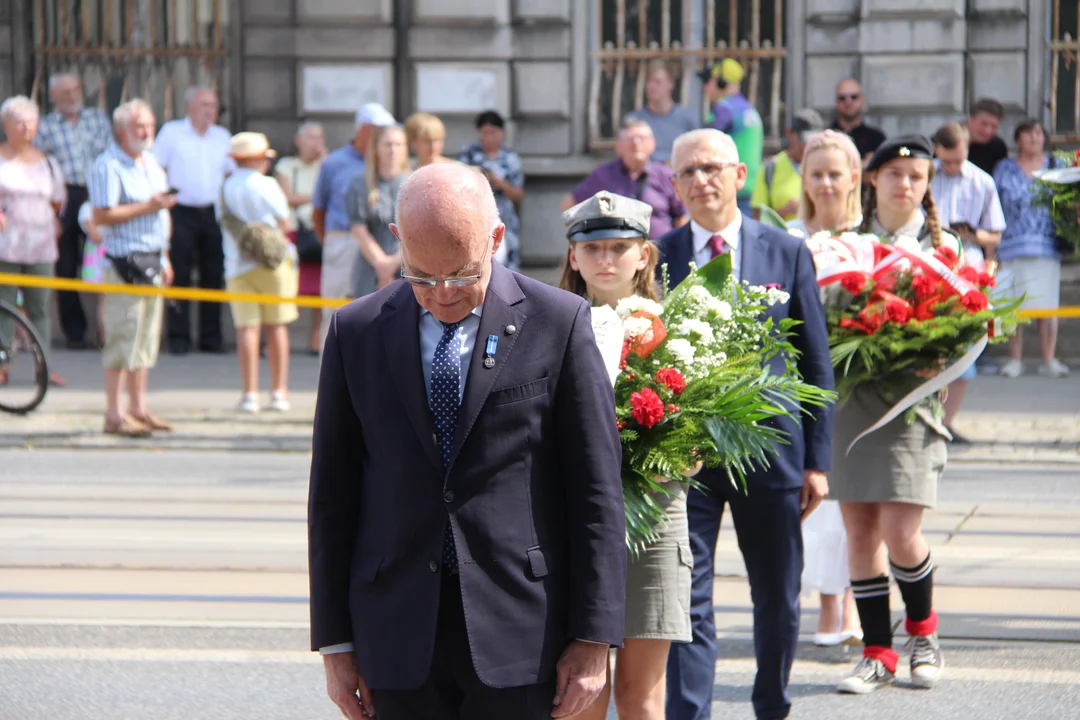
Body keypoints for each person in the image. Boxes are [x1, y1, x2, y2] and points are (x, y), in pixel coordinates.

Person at [308, 163, 626, 720]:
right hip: (395, 634)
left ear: (496, 239)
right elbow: (331, 499)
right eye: (422, 277)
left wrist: (594, 637)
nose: (443, 295)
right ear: (397, 242)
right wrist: (336, 645)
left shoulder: (559, 322)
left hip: (522, 632)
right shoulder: (355, 332)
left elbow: (596, 492)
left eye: (461, 274)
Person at [659, 128, 834, 720]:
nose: (700, 180)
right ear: (674, 183)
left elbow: (815, 362)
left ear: (739, 175)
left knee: (778, 599)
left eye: (711, 167)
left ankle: (771, 705)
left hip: (774, 455)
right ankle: (690, 712)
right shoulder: (660, 256)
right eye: (687, 172)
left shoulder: (785, 251)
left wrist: (818, 460)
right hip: (691, 455)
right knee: (687, 598)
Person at [832, 135, 960, 694]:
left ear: (928, 185)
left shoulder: (945, 247)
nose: (904, 184)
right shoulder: (845, 243)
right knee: (860, 533)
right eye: (894, 174)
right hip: (853, 400)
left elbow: (963, 326)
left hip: (911, 404)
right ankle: (877, 652)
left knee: (901, 531)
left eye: (916, 176)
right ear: (874, 179)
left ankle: (924, 634)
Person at [559, 190, 694, 720]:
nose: (606, 260)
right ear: (573, 256)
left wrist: (679, 447)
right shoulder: (549, 326)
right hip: (574, 523)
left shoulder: (680, 331)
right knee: (580, 691)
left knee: (642, 698)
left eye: (620, 247)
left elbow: (698, 443)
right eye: (592, 249)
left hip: (654, 519)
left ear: (644, 256)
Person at [789, 129, 865, 647]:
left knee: (858, 502)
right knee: (816, 504)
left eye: (835, 173)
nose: (825, 183)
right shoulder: (788, 238)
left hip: (860, 384)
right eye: (816, 173)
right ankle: (826, 604)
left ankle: (858, 602)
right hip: (805, 388)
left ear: (854, 178)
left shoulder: (868, 240)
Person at [88, 99, 177, 437]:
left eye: (149, 125)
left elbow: (161, 214)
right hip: (124, 263)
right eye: (139, 126)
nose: (145, 132)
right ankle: (114, 413)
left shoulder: (151, 164)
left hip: (152, 259)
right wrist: (147, 206)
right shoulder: (108, 166)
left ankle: (138, 407)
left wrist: (165, 256)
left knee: (146, 339)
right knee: (122, 338)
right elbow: (102, 215)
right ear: (122, 129)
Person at [929, 121, 1007, 437]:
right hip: (929, 267)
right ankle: (926, 416)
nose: (951, 166)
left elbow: (996, 235)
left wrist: (973, 235)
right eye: (945, 161)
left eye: (957, 160)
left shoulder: (982, 181)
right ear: (936, 151)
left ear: (966, 151)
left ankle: (946, 423)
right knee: (929, 349)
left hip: (967, 271)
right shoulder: (925, 174)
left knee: (964, 350)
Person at [219, 132, 299, 414]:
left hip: (238, 263)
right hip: (273, 263)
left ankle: (249, 393)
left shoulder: (226, 186)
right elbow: (285, 221)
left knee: (247, 329)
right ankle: (278, 391)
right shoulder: (267, 185)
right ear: (257, 159)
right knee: (277, 327)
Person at [33, 72, 112, 349]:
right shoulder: (45, 127)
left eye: (75, 89)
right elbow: (38, 167)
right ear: (53, 96)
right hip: (64, 197)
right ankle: (75, 333)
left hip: (96, 195)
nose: (71, 96)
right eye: (64, 92)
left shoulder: (97, 120)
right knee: (65, 265)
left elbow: (110, 157)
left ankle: (107, 332)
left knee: (104, 261)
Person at [152, 86, 234, 355]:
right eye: (204, 105)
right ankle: (179, 337)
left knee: (213, 273)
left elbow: (232, 173)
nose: (209, 111)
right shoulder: (172, 133)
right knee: (180, 274)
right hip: (181, 210)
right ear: (190, 107)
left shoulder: (222, 137)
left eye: (213, 106)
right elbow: (156, 167)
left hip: (212, 212)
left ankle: (211, 337)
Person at [312, 102, 397, 347]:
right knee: (335, 309)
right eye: (379, 130)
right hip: (343, 238)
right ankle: (329, 378)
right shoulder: (334, 162)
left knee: (374, 311)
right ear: (363, 130)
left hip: (381, 243)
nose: (385, 138)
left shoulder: (390, 161)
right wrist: (330, 241)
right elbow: (319, 209)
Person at [993, 119, 1070, 379]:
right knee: (1014, 304)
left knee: (1047, 304)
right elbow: (995, 204)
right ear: (1018, 139)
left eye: (1039, 133)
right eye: (1028, 134)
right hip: (1011, 244)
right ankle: (1015, 359)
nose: (1035, 138)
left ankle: (1049, 359)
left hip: (1047, 244)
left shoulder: (1056, 165)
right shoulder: (1004, 168)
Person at [0, 96, 68, 387]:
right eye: (19, 122)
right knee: (3, 306)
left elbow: (57, 200)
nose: (26, 127)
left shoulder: (48, 163)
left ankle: (44, 366)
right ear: (6, 126)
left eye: (30, 121)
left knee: (40, 307)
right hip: (6, 243)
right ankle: (3, 363)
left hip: (40, 246)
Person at [562, 118, 687, 238]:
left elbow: (681, 217)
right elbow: (569, 204)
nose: (636, 144)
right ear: (618, 146)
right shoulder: (604, 175)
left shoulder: (666, 176)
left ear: (652, 144)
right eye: (629, 139)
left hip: (660, 252)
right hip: (616, 254)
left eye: (642, 139)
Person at [274, 121, 327, 355]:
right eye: (311, 137)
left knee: (320, 289)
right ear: (298, 141)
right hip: (293, 231)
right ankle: (277, 339)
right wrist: (316, 196)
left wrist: (326, 162)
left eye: (320, 137)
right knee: (287, 285)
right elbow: (288, 197)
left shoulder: (325, 166)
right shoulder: (287, 166)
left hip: (317, 231)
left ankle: (315, 340)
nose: (316, 143)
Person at [346, 124, 410, 296]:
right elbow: (359, 228)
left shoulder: (415, 183)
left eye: (398, 145)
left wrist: (395, 262)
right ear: (376, 148)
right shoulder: (360, 183)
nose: (393, 150)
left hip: (408, 265)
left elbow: (423, 232)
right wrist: (381, 265)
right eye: (388, 144)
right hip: (370, 266)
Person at [458, 110, 526, 271]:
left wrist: (499, 183)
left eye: (493, 132)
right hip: (475, 213)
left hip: (504, 216)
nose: (489, 138)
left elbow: (518, 194)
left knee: (508, 264)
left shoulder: (510, 157)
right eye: (484, 133)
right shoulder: (469, 155)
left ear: (501, 132)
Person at [698, 59, 763, 214]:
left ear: (720, 82)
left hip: (729, 188)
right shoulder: (747, 108)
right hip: (750, 187)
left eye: (708, 81)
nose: (704, 87)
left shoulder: (724, 109)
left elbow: (703, 143)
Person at [751, 108, 825, 222]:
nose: (809, 146)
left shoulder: (826, 167)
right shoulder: (770, 168)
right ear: (789, 133)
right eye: (804, 140)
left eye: (815, 141)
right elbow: (757, 219)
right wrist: (786, 211)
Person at [627, 60, 700, 164]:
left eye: (657, 81)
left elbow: (698, 153)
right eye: (649, 81)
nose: (651, 87)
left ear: (670, 84)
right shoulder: (635, 120)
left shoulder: (688, 119)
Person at [831, 78, 886, 166]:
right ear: (836, 102)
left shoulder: (876, 138)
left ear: (862, 100)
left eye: (854, 97)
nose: (848, 102)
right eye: (842, 98)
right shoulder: (827, 136)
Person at [965, 98, 1009, 176]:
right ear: (971, 119)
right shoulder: (949, 139)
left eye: (994, 126)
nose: (987, 131)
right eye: (984, 124)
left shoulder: (998, 147)